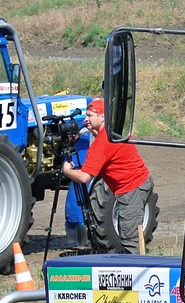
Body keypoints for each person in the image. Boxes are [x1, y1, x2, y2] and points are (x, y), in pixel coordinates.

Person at [62, 98, 153, 254]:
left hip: (132, 187)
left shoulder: (102, 143)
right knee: (128, 233)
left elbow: (84, 177)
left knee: (129, 238)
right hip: (136, 183)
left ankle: (135, 269)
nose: (85, 119)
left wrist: (66, 170)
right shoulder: (112, 131)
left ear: (102, 117)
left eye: (90, 115)